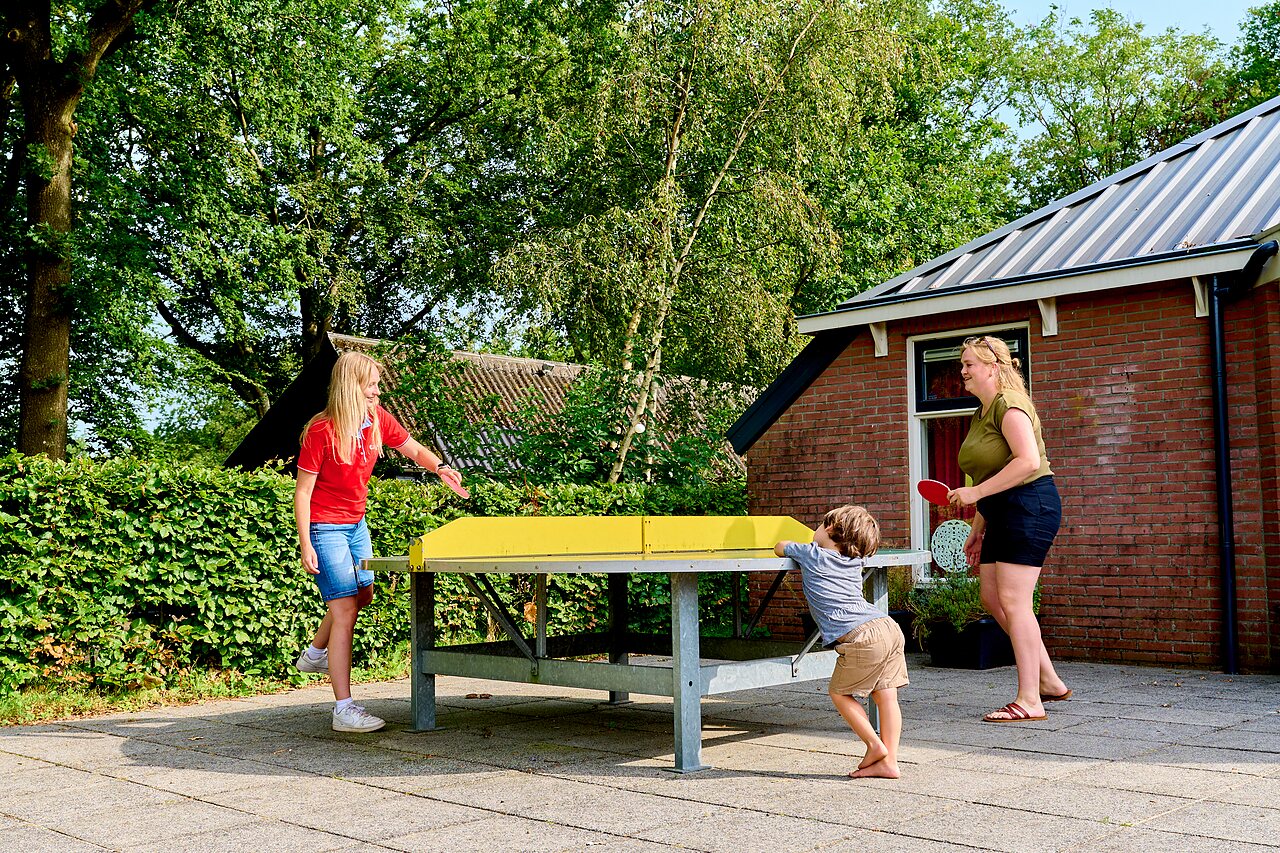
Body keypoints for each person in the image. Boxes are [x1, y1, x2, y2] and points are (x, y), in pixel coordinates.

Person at [294, 351, 465, 733]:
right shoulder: (322, 431)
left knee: (362, 595)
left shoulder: (376, 420)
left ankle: (317, 652)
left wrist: (440, 468)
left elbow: (414, 449)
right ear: (350, 386)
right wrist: (306, 543)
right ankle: (344, 709)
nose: (376, 391)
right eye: (370, 384)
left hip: (356, 524)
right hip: (325, 528)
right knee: (345, 612)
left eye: (376, 384)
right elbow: (303, 493)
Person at [947, 335, 1070, 724]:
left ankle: (1030, 699)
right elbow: (991, 471)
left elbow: (1027, 461)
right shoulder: (981, 412)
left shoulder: (1009, 405)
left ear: (994, 367)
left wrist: (975, 494)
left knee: (1015, 601)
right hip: (1000, 511)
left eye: (970, 364)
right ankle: (1048, 680)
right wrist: (978, 526)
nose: (963, 370)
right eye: (963, 364)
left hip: (1029, 506)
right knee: (991, 597)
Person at [775, 505, 908, 779]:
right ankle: (890, 761)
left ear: (831, 530)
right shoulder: (854, 561)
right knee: (886, 696)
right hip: (887, 627)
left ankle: (874, 745)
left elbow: (780, 546)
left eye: (820, 524)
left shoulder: (811, 554)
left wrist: (799, 543)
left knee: (839, 692)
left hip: (862, 636)